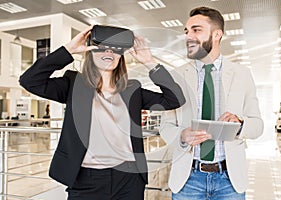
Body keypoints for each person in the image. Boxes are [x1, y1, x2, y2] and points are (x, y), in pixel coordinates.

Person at [19, 25, 185, 200]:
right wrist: (69, 50)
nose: (109, 53)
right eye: (102, 48)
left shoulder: (132, 89)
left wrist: (149, 61)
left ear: (121, 57)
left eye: (115, 50)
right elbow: (30, 81)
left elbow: (175, 99)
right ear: (90, 53)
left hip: (128, 179)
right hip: (86, 180)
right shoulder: (74, 85)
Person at [159, 6, 264, 200]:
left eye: (196, 30)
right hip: (188, 179)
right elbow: (165, 125)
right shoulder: (176, 76)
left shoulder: (241, 75)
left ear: (217, 34)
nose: (188, 36)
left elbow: (257, 126)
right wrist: (181, 136)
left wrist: (240, 124)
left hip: (229, 180)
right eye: (186, 31)